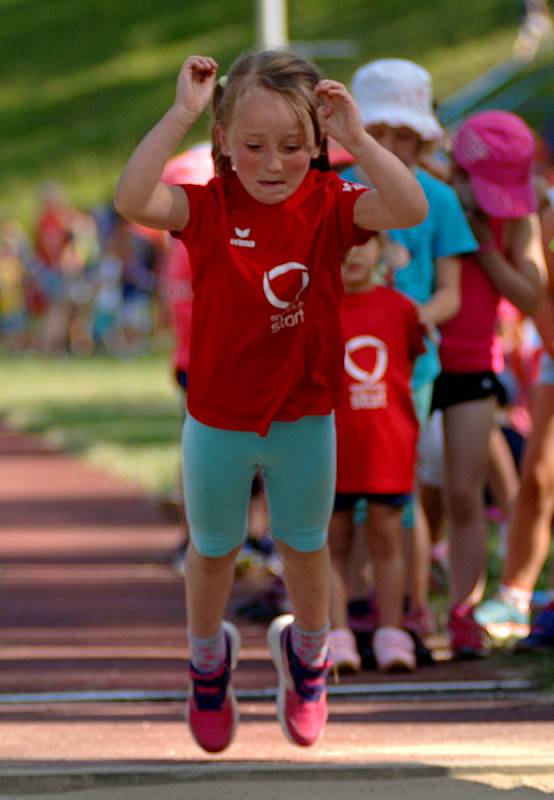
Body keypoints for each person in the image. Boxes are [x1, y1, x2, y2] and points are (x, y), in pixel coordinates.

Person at [114, 50, 427, 753]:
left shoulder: (332, 202)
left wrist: (360, 137)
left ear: (318, 146)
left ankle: (308, 656)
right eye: (253, 145)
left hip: (304, 415)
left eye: (292, 146)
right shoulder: (208, 205)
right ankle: (206, 661)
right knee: (214, 550)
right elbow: (132, 200)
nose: (274, 162)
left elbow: (410, 206)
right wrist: (181, 114)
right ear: (223, 142)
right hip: (218, 418)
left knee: (305, 550)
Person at [340, 58, 478, 642]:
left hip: (410, 366)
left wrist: (411, 317)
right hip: (341, 363)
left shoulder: (438, 200)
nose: (393, 144)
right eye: (380, 132)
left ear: (424, 136)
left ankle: (414, 606)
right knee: (342, 493)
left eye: (406, 135)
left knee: (401, 488)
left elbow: (451, 292)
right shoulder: (339, 188)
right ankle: (349, 608)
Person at [433, 109, 546, 658]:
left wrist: (486, 247)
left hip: (474, 364)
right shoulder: (432, 193)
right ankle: (388, 606)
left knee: (463, 492)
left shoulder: (518, 216)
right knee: (393, 498)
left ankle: (463, 610)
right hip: (415, 360)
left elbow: (530, 294)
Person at [328, 235, 426, 674]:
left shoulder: (401, 309)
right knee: (334, 541)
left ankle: (391, 631)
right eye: (344, 244)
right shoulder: (317, 308)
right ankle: (336, 633)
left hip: (386, 445)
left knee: (387, 537)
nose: (352, 252)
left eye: (364, 243)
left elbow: (410, 361)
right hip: (330, 447)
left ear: (381, 251)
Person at [475, 173, 554, 648]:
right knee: (539, 476)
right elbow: (544, 310)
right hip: (551, 354)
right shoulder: (544, 213)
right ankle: (515, 595)